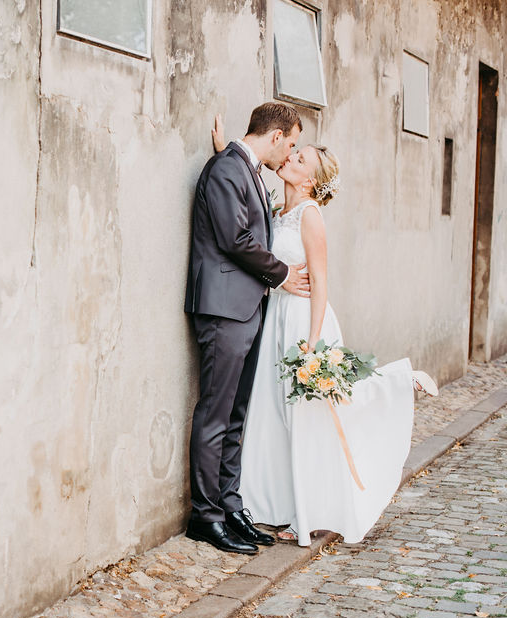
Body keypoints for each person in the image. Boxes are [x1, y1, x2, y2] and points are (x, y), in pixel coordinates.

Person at [207, 130, 441, 546]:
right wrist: (228, 152)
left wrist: (313, 344)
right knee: (277, 414)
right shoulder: (280, 209)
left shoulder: (311, 215)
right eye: (293, 152)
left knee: (316, 415)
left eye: (300, 159)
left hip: (302, 323)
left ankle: (398, 382)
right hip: (275, 317)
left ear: (309, 181)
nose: (291, 157)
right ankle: (277, 504)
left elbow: (320, 282)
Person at [183, 102, 312, 555]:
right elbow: (235, 238)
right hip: (223, 310)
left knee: (236, 415)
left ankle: (231, 505)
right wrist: (281, 274)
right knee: (216, 413)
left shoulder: (243, 168)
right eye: (291, 143)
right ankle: (206, 515)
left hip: (245, 308)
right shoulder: (226, 169)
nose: (290, 153)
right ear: (275, 136)